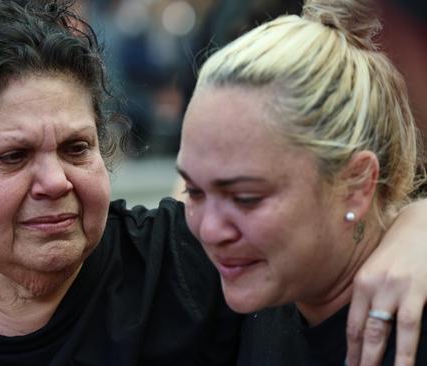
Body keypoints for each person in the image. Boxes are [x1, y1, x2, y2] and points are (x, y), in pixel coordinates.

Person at [0, 0, 427, 365]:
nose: (54, 182)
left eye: (77, 148)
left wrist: (416, 226)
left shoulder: (200, 263)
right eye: (12, 157)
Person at [175, 0, 427, 365]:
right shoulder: (250, 288)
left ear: (356, 185)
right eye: (194, 191)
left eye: (246, 198)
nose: (211, 230)